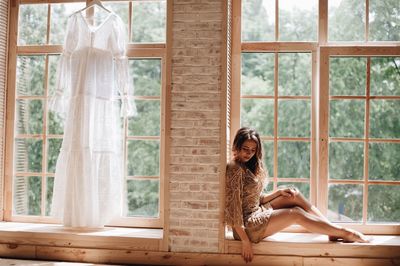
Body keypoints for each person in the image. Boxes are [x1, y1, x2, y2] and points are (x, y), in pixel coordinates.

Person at [225, 127, 369, 263]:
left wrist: (278, 193)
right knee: (295, 214)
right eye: (245, 149)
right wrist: (245, 241)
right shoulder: (234, 168)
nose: (249, 153)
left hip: (257, 211)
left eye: (253, 150)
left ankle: (331, 229)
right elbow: (234, 208)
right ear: (236, 146)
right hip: (246, 226)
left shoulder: (247, 166)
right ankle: (344, 233)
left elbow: (254, 198)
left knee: (293, 194)